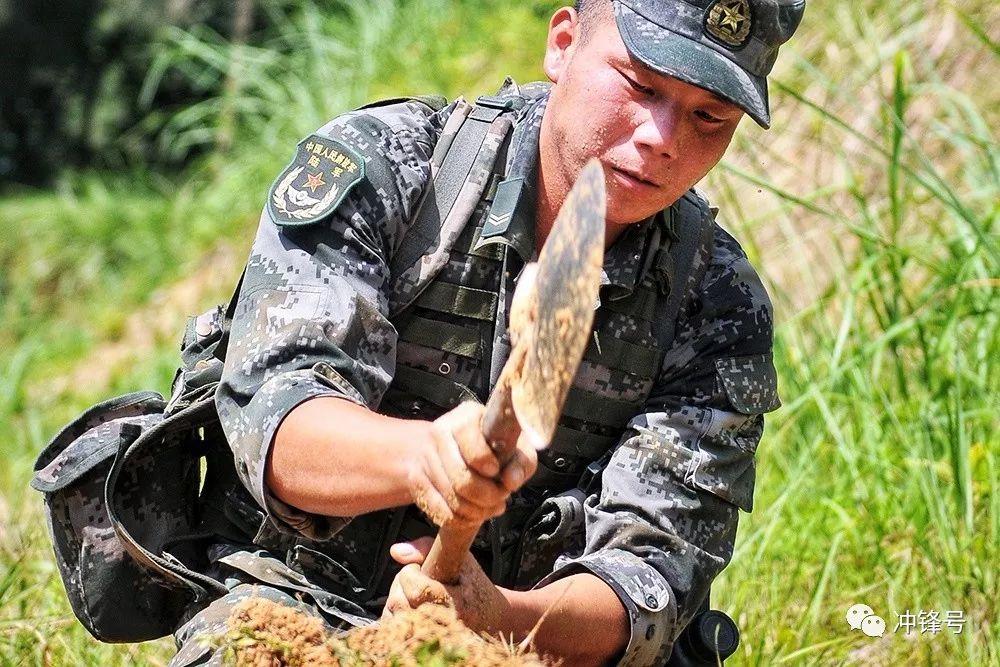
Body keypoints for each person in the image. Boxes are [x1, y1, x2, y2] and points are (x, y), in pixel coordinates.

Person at [170, 1, 804, 664]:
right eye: (641, 86)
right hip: (300, 603)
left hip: (524, 639)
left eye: (710, 117)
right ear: (563, 44)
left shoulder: (714, 298)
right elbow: (278, 424)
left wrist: (495, 614)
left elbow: (651, 582)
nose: (663, 137)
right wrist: (426, 458)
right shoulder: (394, 168)